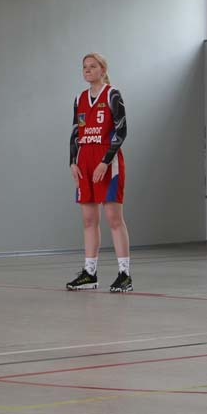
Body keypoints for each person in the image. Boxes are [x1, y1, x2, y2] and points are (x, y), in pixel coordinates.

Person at [66, 53, 132, 293]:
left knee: (114, 218)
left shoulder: (112, 94)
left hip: (107, 160)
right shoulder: (79, 98)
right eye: (84, 66)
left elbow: (122, 131)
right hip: (85, 160)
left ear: (103, 70)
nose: (87, 70)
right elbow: (76, 132)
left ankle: (124, 274)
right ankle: (90, 273)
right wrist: (73, 162)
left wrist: (105, 161)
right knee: (88, 220)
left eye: (92, 66)